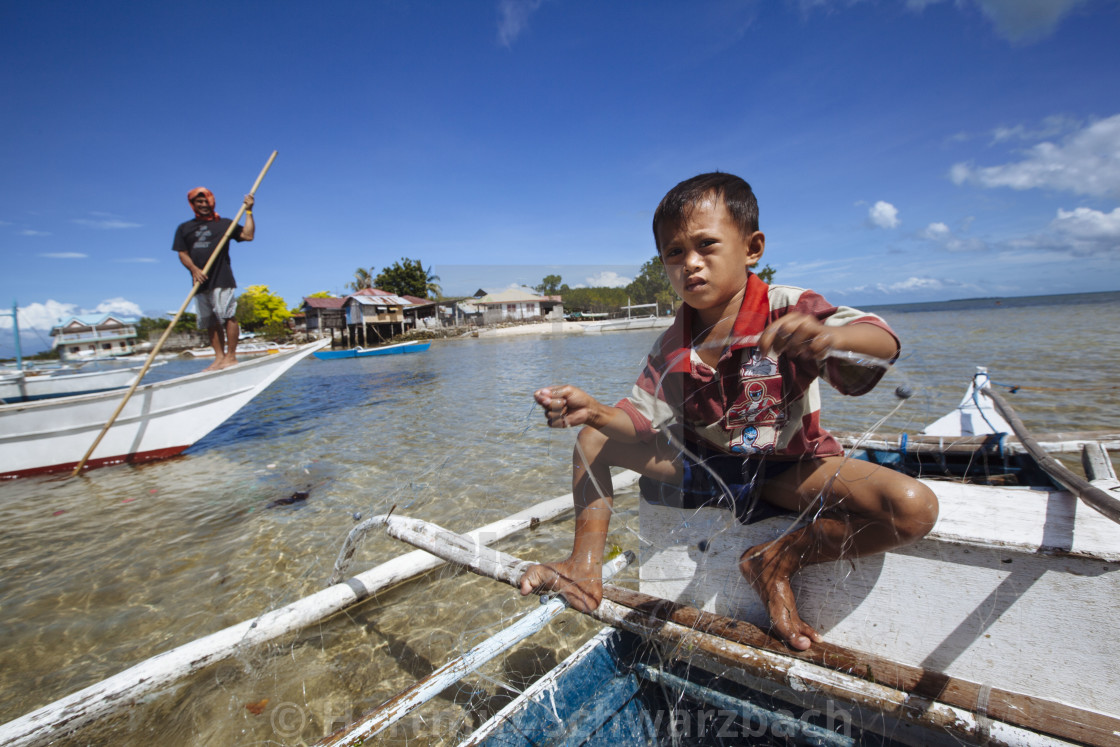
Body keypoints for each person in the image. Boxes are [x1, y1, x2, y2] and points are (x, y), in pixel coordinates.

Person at [518, 172, 938, 651]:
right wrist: (592, 411)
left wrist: (830, 339)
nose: (690, 264)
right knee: (594, 438)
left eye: (706, 245)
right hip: (706, 467)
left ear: (752, 247)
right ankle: (582, 566)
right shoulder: (672, 344)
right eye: (674, 253)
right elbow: (636, 422)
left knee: (911, 508)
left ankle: (776, 561)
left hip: (788, 469)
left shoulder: (787, 308)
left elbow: (880, 340)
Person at [173, 187, 255, 371]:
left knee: (226, 315)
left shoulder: (224, 223)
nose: (203, 205)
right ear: (192, 204)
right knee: (209, 320)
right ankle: (219, 358)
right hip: (200, 282)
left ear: (212, 202)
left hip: (222, 277)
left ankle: (231, 357)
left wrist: (249, 211)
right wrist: (194, 269)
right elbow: (182, 253)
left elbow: (248, 235)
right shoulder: (184, 228)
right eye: (199, 202)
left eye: (206, 201)